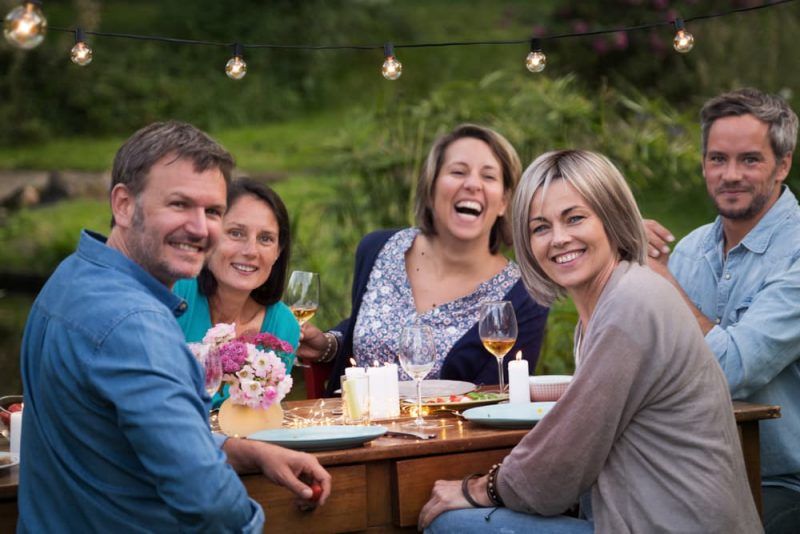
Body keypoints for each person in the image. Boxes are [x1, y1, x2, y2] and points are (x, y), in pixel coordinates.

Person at [419, 150, 760, 533]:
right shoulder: (611, 300)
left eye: (575, 218)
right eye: (540, 227)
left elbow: (563, 462)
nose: (559, 239)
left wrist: (479, 489)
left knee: (451, 523)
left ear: (611, 218)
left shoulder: (632, 301)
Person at [18, 121, 330, 533]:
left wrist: (245, 453)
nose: (200, 228)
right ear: (124, 205)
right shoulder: (138, 326)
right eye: (179, 205)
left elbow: (125, 441)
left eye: (213, 211)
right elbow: (209, 499)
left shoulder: (72, 276)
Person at [645, 88, 800, 533]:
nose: (730, 175)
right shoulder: (689, 251)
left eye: (750, 160)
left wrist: (657, 280)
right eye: (718, 159)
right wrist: (612, 250)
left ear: (783, 164)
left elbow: (730, 369)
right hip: (685, 469)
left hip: (779, 482)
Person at [296, 124, 549, 394]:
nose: (472, 184)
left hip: (452, 436)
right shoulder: (377, 249)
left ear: (504, 202)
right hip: (351, 432)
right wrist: (327, 346)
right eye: (458, 172)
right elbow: (369, 329)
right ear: (430, 189)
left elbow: (501, 401)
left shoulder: (525, 296)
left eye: (488, 177)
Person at [174, 178, 299, 407]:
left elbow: (259, 420)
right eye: (236, 233)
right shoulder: (176, 293)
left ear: (278, 251)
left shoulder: (283, 325)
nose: (250, 251)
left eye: (265, 238)